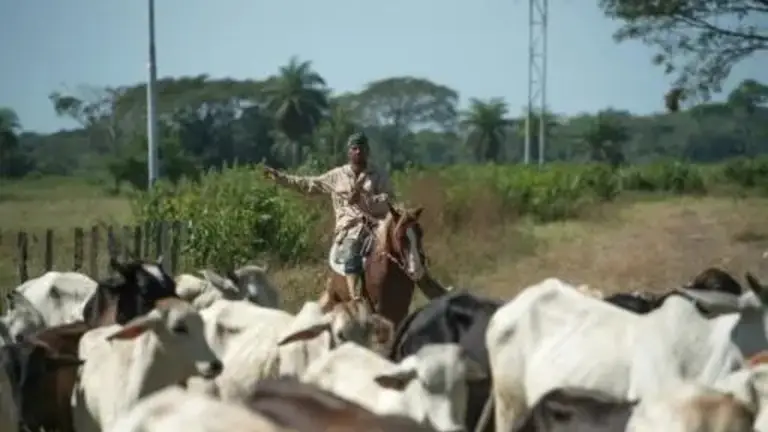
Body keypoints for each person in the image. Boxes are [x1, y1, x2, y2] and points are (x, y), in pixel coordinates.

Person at [262, 132, 395, 300]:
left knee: (404, 238)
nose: (358, 152)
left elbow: (388, 198)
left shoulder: (378, 175)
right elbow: (308, 185)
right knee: (353, 245)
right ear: (349, 152)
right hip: (350, 227)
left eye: (362, 148)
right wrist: (280, 178)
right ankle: (354, 294)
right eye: (354, 148)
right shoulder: (336, 176)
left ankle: (417, 277)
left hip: (376, 223)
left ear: (368, 151)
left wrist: (366, 200)